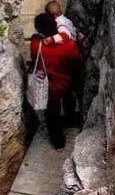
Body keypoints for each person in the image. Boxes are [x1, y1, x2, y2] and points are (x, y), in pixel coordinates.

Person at [30, 13, 83, 149]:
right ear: (55, 25)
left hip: (49, 86)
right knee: (69, 100)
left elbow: (34, 51)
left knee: (52, 114)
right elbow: (77, 62)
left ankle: (58, 143)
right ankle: (70, 119)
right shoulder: (69, 45)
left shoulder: (36, 45)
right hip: (66, 81)